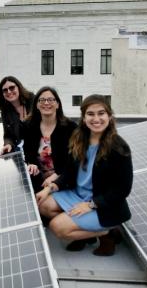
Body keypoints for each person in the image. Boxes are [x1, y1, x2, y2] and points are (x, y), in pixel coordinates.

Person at [36, 95, 133, 256]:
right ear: (84, 117)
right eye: (90, 114)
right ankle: (82, 232)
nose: (96, 119)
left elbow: (123, 190)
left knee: (57, 227)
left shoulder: (118, 148)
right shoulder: (80, 139)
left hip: (102, 205)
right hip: (78, 195)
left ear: (109, 116)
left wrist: (90, 205)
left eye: (101, 113)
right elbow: (69, 172)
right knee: (43, 205)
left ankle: (108, 233)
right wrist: (50, 188)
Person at [23, 86, 77, 193]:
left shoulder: (71, 127)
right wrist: (31, 163)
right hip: (37, 180)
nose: (46, 103)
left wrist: (57, 176)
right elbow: (27, 151)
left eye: (51, 99)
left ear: (57, 104)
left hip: (63, 180)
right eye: (42, 100)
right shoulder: (29, 126)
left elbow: (74, 159)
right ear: (37, 105)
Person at [0, 76, 34, 155]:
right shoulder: (6, 111)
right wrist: (8, 144)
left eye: (12, 88)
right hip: (23, 152)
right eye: (5, 90)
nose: (9, 92)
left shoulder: (32, 100)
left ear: (18, 87)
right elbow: (8, 135)